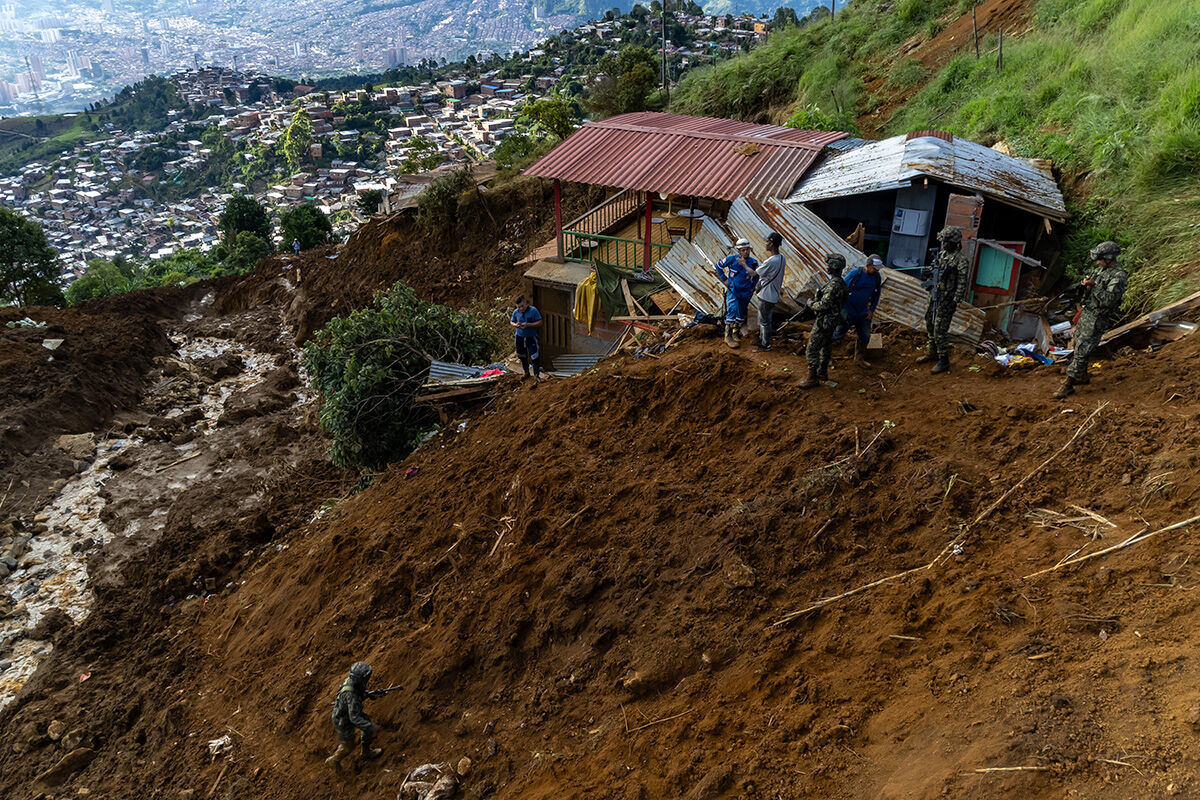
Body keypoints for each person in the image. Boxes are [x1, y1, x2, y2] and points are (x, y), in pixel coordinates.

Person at [1055, 241, 1128, 399]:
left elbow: (1109, 300)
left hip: (1098, 317)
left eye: (1100, 259)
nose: (1097, 262)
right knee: (1077, 343)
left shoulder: (1119, 276)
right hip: (1087, 313)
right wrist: (1085, 284)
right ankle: (1082, 375)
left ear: (1109, 258)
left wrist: (1094, 286)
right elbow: (1091, 289)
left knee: (1082, 349)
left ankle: (1068, 384)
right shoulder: (1101, 271)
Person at [917, 227, 968, 374]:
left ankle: (943, 360)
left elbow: (962, 283)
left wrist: (955, 301)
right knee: (930, 322)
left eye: (947, 242)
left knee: (940, 329)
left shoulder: (961, 260)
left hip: (947, 299)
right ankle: (932, 352)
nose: (944, 244)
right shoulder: (941, 255)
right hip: (934, 295)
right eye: (943, 241)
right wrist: (927, 274)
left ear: (955, 243)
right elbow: (933, 274)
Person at [800, 254, 849, 389]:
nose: (827, 268)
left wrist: (811, 304)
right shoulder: (841, 283)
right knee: (826, 346)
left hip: (824, 321)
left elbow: (824, 305)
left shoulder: (833, 285)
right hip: (833, 321)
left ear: (833, 267)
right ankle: (822, 371)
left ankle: (812, 377)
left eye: (829, 266)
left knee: (812, 348)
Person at [326, 661, 383, 768]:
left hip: (349, 712)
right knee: (348, 747)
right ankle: (333, 761)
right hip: (342, 720)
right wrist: (371, 727)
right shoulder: (350, 693)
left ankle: (366, 752)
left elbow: (358, 693)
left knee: (366, 725)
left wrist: (368, 694)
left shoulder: (353, 682)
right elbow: (354, 718)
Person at [834, 254, 883, 364]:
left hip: (863, 311)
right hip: (848, 309)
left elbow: (877, 294)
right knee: (838, 332)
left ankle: (859, 359)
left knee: (865, 336)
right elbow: (841, 288)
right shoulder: (856, 273)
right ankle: (824, 354)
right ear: (867, 265)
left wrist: (872, 309)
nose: (876, 271)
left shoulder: (876, 277)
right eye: (874, 269)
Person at [715, 238, 759, 348]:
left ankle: (735, 333)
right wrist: (724, 279)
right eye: (743, 250)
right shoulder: (732, 259)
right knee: (732, 310)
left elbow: (756, 276)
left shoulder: (753, 262)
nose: (745, 252)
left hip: (745, 293)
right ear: (738, 251)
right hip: (733, 290)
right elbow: (718, 266)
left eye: (747, 249)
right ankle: (727, 336)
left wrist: (752, 288)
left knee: (741, 313)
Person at [753, 231, 786, 352]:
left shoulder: (771, 261)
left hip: (766, 296)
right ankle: (763, 339)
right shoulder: (782, 258)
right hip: (773, 295)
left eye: (767, 241)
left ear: (771, 244)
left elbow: (753, 273)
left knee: (764, 321)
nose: (765, 244)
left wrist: (743, 265)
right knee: (766, 319)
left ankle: (765, 345)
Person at [511, 295, 543, 380]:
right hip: (520, 337)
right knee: (521, 355)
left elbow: (540, 322)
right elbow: (512, 321)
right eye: (518, 307)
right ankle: (526, 372)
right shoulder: (515, 312)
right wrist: (516, 325)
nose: (521, 308)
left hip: (531, 336)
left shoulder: (533, 310)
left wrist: (528, 325)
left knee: (534, 356)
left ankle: (536, 375)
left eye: (522, 306)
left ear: (525, 303)